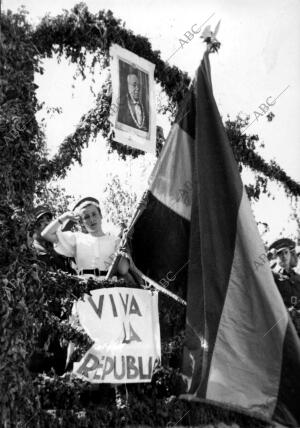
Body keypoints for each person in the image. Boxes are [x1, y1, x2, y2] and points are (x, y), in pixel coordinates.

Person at [41, 197, 129, 278]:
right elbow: (46, 234)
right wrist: (64, 217)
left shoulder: (115, 240)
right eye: (86, 217)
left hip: (110, 290)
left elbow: (123, 270)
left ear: (101, 216)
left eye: (94, 214)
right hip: (86, 289)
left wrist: (123, 245)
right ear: (82, 222)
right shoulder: (77, 238)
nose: (92, 219)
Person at [29, 205, 74, 273]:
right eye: (41, 222)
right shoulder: (31, 252)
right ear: (33, 227)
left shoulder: (57, 246)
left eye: (48, 219)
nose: (46, 223)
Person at [270, 238, 300, 335]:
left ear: (290, 254)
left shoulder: (297, 277)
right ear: (276, 257)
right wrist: (267, 257)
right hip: (282, 322)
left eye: (286, 252)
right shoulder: (273, 275)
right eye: (280, 253)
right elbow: (257, 271)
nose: (284, 256)